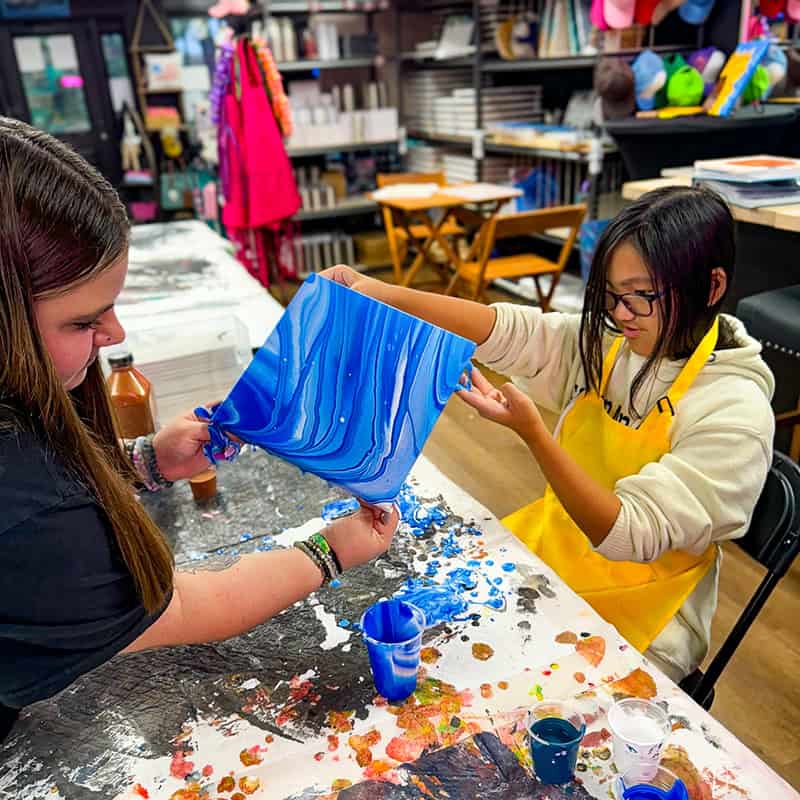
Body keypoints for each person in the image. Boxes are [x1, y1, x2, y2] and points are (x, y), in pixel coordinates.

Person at [0, 118, 398, 741]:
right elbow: (185, 608)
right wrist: (336, 547)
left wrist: (145, 461)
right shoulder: (27, 504)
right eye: (83, 323)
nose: (117, 336)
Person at [322, 186, 775, 682]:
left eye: (640, 296)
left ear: (710, 288)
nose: (620, 314)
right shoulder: (616, 341)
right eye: (611, 295)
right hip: (559, 555)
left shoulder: (734, 413)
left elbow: (629, 534)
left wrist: (536, 437)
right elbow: (511, 332)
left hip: (647, 617)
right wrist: (380, 291)